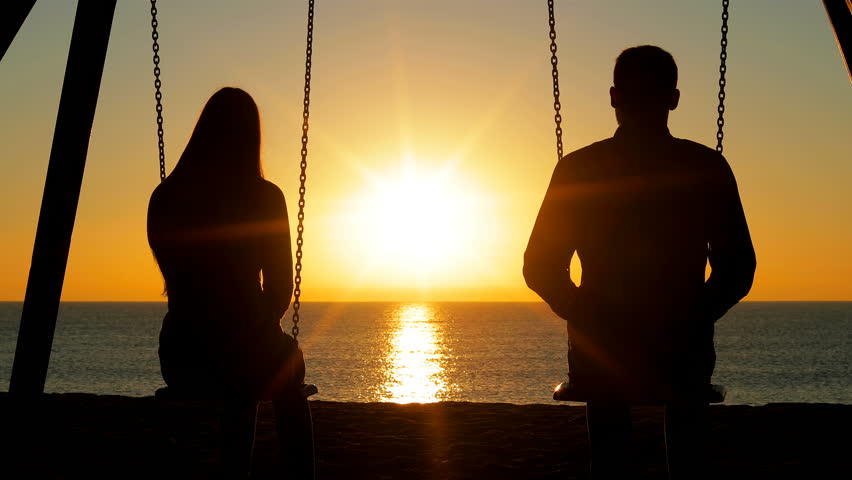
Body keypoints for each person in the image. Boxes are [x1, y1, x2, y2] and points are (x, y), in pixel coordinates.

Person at [523, 45, 756, 479]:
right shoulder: (705, 166)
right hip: (680, 345)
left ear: (613, 98)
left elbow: (538, 265)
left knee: (609, 459)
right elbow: (738, 267)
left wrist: (582, 312)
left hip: (604, 345)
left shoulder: (579, 168)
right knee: (689, 455)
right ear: (674, 98)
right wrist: (696, 313)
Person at [147, 87, 314, 478]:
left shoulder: (165, 195)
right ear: (251, 136)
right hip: (244, 351)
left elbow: (176, 277)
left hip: (181, 355)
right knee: (283, 374)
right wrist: (253, 330)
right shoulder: (264, 197)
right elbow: (279, 286)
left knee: (246, 369)